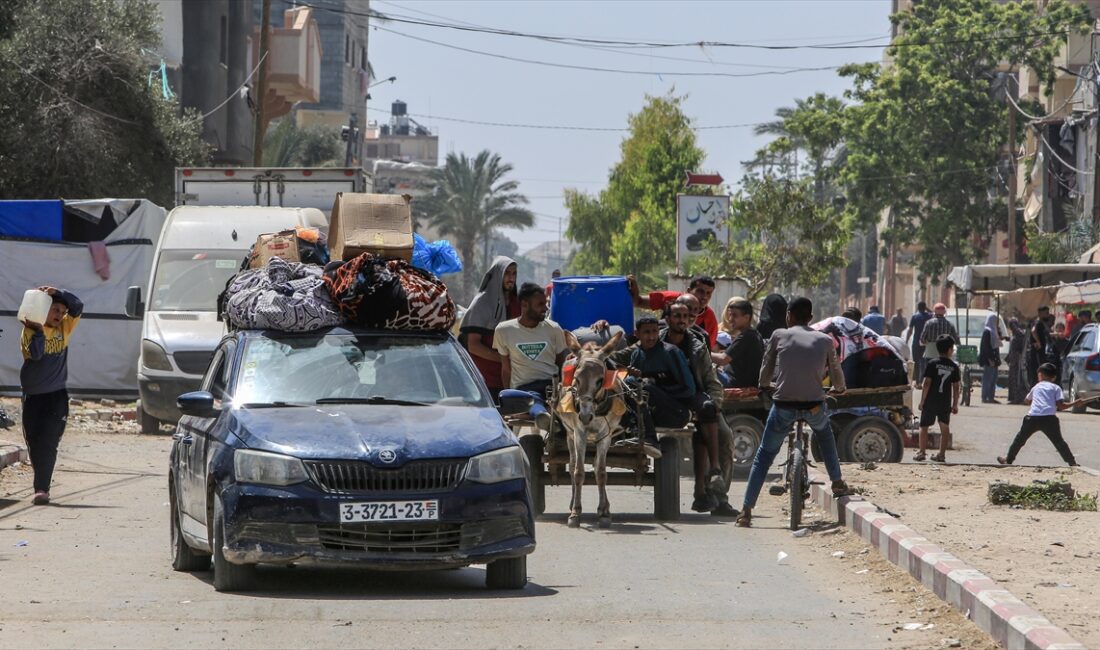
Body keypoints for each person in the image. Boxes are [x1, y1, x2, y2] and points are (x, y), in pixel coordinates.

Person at [735, 297, 853, 528]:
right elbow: (837, 372)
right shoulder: (824, 339)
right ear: (810, 318)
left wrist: (765, 384)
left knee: (763, 457)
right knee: (826, 438)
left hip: (783, 407)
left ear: (788, 316)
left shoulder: (779, 335)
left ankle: (746, 511)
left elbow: (766, 370)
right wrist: (839, 388)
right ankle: (837, 482)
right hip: (814, 405)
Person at [661, 302, 728, 514]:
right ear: (668, 318)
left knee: (722, 434)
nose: (682, 320)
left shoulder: (698, 344)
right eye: (678, 315)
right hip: (664, 397)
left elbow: (711, 379)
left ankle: (717, 495)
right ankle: (701, 492)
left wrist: (715, 404)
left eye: (686, 315)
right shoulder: (654, 338)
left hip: (694, 397)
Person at [20, 286, 84, 505]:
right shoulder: (29, 331)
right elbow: (36, 355)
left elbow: (78, 306)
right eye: (54, 309)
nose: (59, 315)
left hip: (56, 397)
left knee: (48, 442)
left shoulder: (64, 329)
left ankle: (41, 489)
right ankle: (41, 484)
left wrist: (60, 291)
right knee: (34, 442)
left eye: (61, 312)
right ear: (42, 310)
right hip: (33, 397)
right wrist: (38, 330)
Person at [608, 316, 696, 450]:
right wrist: (639, 380)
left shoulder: (670, 352)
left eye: (654, 332)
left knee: (632, 383)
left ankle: (650, 438)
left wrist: (652, 387)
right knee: (623, 386)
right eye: (647, 332)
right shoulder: (636, 354)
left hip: (676, 413)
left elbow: (689, 389)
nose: (651, 337)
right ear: (637, 334)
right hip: (652, 414)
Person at [997, 363, 1085, 467]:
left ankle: (1008, 460)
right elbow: (1061, 406)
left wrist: (1035, 401)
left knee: (1019, 439)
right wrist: (1075, 403)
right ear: (1054, 377)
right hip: (1049, 419)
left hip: (1032, 417)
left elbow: (1027, 400)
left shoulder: (1036, 387)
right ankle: (1072, 462)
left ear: (1040, 375)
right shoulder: (1056, 388)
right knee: (1059, 442)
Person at [459, 257, 519, 398]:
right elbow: (473, 345)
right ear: (498, 274)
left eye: (514, 273)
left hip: (513, 382)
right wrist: (504, 359)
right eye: (507, 273)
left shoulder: (517, 304)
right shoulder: (482, 303)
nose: (511, 278)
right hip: (485, 382)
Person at [630, 275, 719, 347]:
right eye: (700, 291)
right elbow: (638, 302)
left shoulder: (709, 322)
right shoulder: (671, 299)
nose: (704, 297)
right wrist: (633, 287)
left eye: (708, 293)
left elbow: (707, 351)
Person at [915, 336, 960, 463]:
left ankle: (922, 452)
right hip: (944, 401)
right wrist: (955, 404)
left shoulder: (932, 363)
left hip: (931, 400)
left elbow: (927, 383)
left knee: (924, 426)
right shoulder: (954, 367)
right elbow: (956, 387)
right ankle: (941, 454)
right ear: (950, 350)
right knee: (944, 425)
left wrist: (922, 401)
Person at [721, 298, 765, 389]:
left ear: (746, 318)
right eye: (730, 315)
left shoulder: (747, 336)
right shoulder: (754, 334)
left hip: (734, 382)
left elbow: (723, 359)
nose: (730, 319)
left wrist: (705, 353)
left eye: (734, 316)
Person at [978, 313, 1003, 404]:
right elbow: (985, 347)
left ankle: (991, 397)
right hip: (989, 360)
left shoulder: (994, 331)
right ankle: (985, 397)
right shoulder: (987, 332)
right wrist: (990, 359)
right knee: (988, 379)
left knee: (993, 379)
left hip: (994, 359)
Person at [906, 302, 933, 383]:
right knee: (924, 361)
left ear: (918, 307)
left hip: (916, 342)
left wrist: (906, 340)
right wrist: (927, 309)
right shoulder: (929, 316)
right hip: (926, 342)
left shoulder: (915, 316)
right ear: (925, 307)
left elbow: (910, 330)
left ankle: (917, 381)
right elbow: (934, 313)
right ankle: (922, 380)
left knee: (916, 362)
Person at [1027, 307, 1052, 388]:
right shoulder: (1038, 322)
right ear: (1040, 313)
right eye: (1046, 313)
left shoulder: (1040, 322)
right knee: (1038, 371)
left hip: (1039, 351)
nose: (1047, 315)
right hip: (1037, 352)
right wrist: (1038, 342)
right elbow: (1033, 331)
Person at [1006, 318, 1028, 405]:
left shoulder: (1019, 333)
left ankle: (1018, 398)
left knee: (1017, 380)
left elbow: (1020, 347)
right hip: (1013, 360)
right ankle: (1014, 398)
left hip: (1017, 361)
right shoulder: (1014, 334)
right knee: (1012, 380)